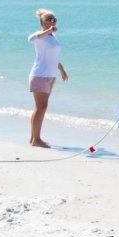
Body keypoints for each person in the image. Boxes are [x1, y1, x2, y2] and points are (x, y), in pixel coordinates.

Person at [28, 8, 68, 148]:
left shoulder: (52, 37)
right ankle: (36, 139)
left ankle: (33, 138)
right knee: (41, 107)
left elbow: (52, 57)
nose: (52, 21)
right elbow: (30, 39)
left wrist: (61, 69)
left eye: (54, 19)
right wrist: (48, 31)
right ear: (42, 23)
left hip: (50, 76)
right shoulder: (40, 36)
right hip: (40, 75)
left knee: (40, 107)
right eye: (49, 19)